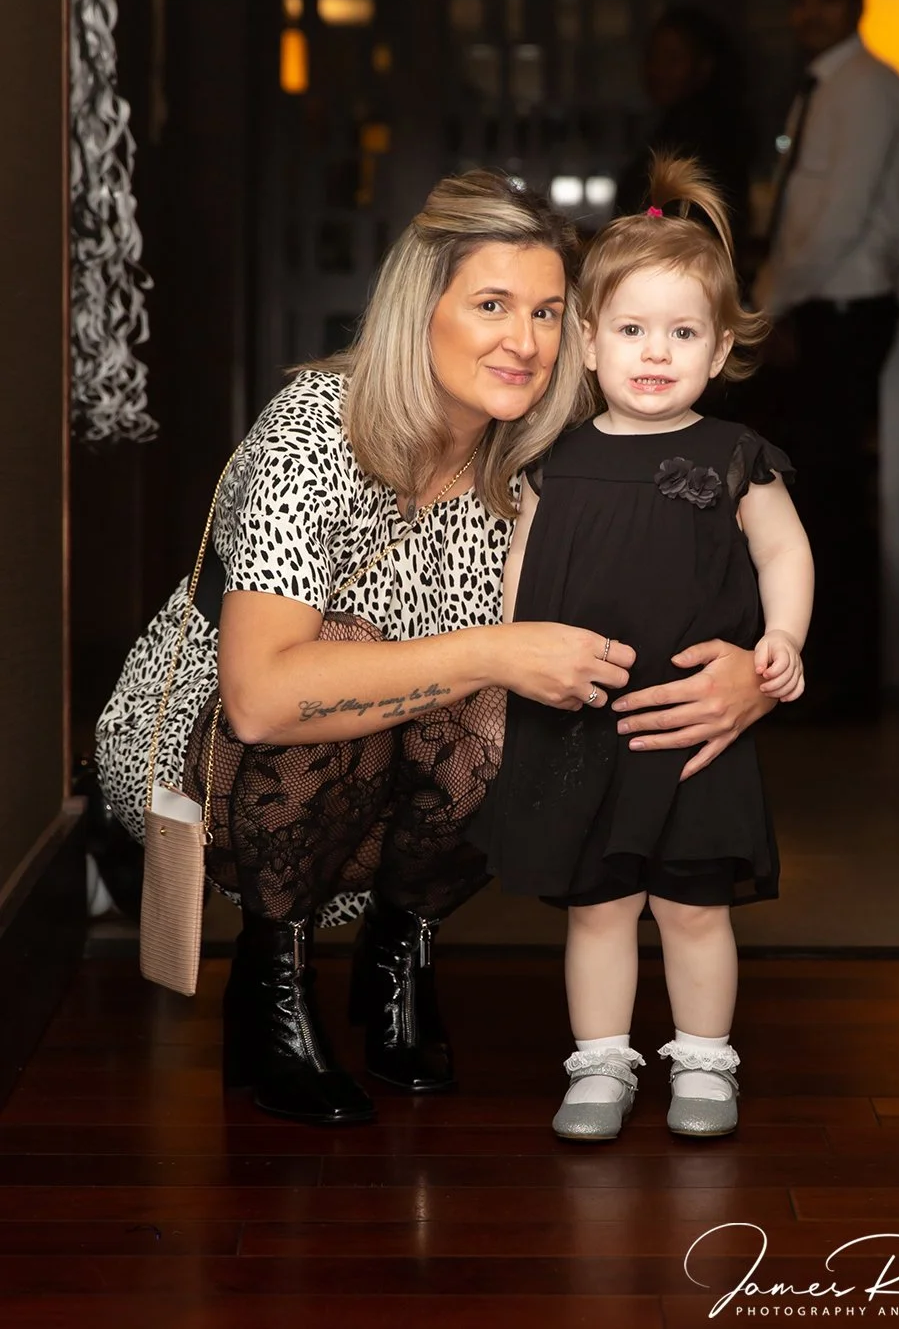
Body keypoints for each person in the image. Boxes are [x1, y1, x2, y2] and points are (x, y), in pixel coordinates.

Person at [96, 169, 777, 1130]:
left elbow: (689, 581)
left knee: (539, 704)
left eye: (547, 312)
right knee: (368, 654)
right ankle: (273, 974)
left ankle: (398, 947)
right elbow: (260, 699)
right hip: (226, 761)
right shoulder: (316, 429)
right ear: (424, 308)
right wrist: (494, 654)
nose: (524, 341)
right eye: (492, 305)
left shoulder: (554, 449)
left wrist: (756, 671)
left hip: (412, 757)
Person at [470, 157, 813, 1142]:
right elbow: (520, 574)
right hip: (583, 726)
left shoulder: (734, 456)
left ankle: (703, 1060)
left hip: (697, 730)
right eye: (630, 331)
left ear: (720, 350)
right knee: (601, 907)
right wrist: (512, 663)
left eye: (682, 333)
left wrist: (781, 638)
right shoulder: (553, 461)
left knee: (695, 907)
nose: (655, 353)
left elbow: (785, 553)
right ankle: (599, 1065)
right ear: (587, 341)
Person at [753, 0, 899, 720]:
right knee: (812, 492)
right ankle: (822, 678)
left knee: (830, 496)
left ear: (857, 3)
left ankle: (844, 686)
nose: (810, 13)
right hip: (813, 305)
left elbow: (839, 220)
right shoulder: (820, 86)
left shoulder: (870, 86)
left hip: (842, 308)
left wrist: (767, 307)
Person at [615, 7, 753, 257]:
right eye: (653, 57)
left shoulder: (706, 137)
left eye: (672, 59)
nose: (658, 70)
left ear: (704, 67)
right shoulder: (671, 129)